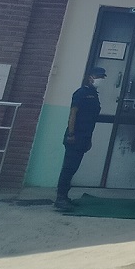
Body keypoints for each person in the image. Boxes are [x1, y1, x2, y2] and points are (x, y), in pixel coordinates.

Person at [54, 66, 106, 211]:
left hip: (84, 136)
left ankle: (65, 197)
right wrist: (71, 134)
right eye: (98, 76)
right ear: (90, 77)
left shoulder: (94, 94)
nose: (100, 79)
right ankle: (60, 198)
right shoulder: (81, 93)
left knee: (73, 168)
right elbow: (73, 114)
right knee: (68, 168)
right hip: (75, 136)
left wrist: (88, 139)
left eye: (102, 77)